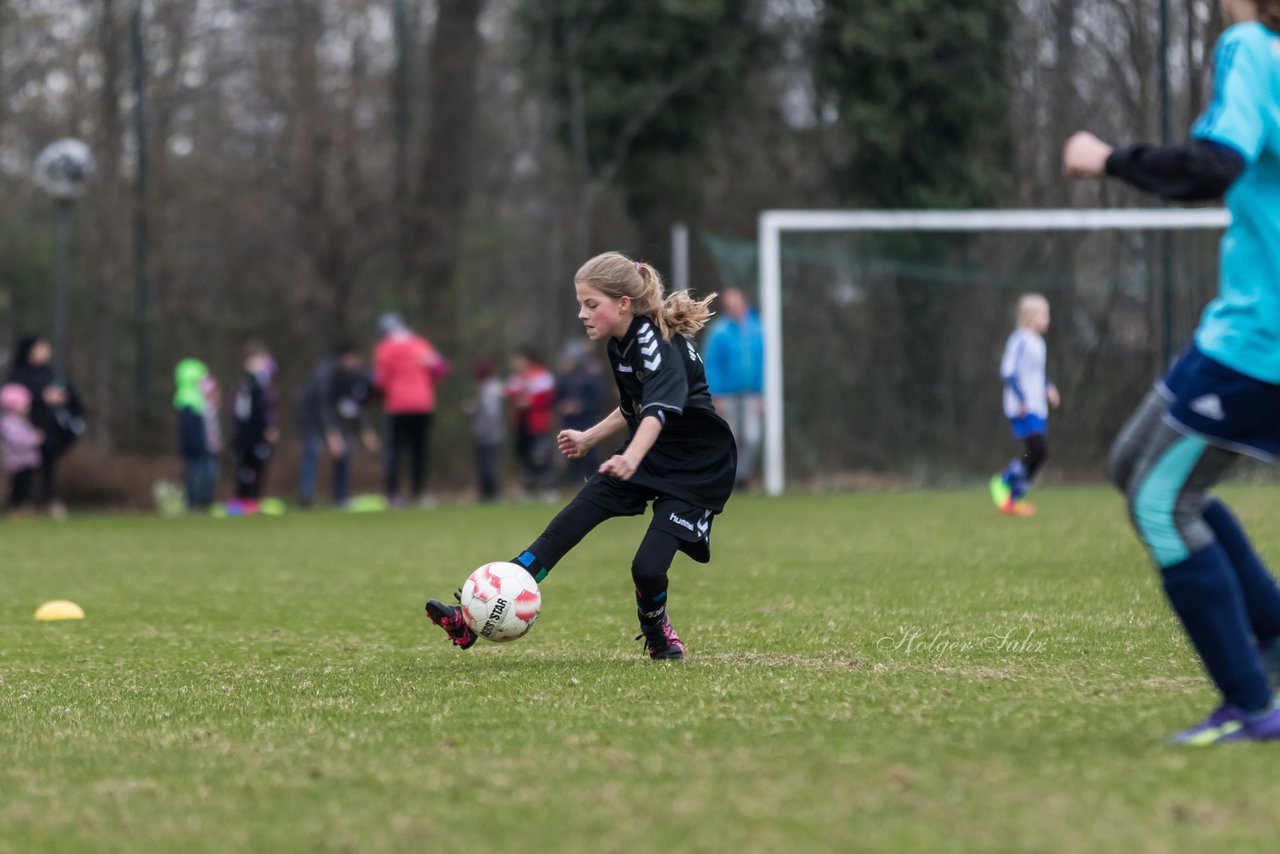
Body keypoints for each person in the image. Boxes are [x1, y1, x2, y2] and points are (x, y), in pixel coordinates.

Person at [1062, 0, 1280, 743]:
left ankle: (1252, 706)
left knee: (1161, 503)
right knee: (1133, 464)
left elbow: (1216, 164)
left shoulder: (1252, 42)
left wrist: (1108, 157)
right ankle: (1273, 637)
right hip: (1234, 328)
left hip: (1264, 341)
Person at [425, 252, 736, 660]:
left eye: (591, 304)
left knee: (646, 567)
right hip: (651, 453)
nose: (582, 314)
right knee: (568, 524)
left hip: (698, 467)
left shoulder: (655, 344)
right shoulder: (620, 345)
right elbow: (635, 409)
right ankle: (470, 621)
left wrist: (631, 456)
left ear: (623, 303)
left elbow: (659, 410)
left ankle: (657, 629)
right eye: (580, 304)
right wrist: (590, 438)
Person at [988, 294, 1060, 517]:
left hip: (1037, 405)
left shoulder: (1039, 342)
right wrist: (1021, 400)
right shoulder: (1019, 339)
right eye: (1044, 315)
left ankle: (1012, 499)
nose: (1047, 319)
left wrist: (1048, 386)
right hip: (1022, 406)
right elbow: (1008, 372)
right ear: (1030, 317)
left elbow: (1035, 373)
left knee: (1037, 453)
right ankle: (1004, 482)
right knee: (1038, 449)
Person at [374, 313, 447, 508]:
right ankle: (419, 494)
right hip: (423, 404)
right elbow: (441, 368)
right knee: (419, 451)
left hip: (397, 405)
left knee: (394, 452)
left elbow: (381, 381)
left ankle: (393, 495)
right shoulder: (421, 345)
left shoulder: (384, 348)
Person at [8, 335, 84, 519]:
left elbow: (73, 398)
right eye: (40, 348)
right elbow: (12, 400)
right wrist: (41, 398)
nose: (44, 352)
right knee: (23, 469)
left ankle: (51, 500)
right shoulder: (18, 375)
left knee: (49, 467)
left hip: (51, 430)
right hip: (24, 430)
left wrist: (63, 398)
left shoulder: (53, 373)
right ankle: (20, 503)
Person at [296, 344, 378, 508]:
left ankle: (340, 497)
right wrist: (331, 433)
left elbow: (353, 405)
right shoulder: (325, 373)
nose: (356, 362)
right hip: (311, 415)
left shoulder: (351, 376)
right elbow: (323, 404)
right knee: (313, 449)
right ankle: (306, 497)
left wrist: (365, 430)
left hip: (333, 417)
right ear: (344, 358)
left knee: (345, 449)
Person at [702, 288, 764, 488]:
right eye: (728, 306)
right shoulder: (719, 331)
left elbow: (762, 364)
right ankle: (727, 477)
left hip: (750, 394)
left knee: (752, 437)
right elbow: (713, 365)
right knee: (731, 437)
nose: (732, 309)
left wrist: (762, 394)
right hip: (726, 395)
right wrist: (716, 395)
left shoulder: (756, 328)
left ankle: (742, 477)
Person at [507, 347, 557, 501]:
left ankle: (549, 490)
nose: (515, 363)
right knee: (524, 458)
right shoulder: (518, 378)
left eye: (518, 360)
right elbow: (510, 392)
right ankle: (528, 491)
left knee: (540, 456)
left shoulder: (541, 375)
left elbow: (546, 397)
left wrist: (529, 402)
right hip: (522, 424)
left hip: (538, 424)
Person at [230, 341, 279, 501]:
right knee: (247, 469)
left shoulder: (262, 384)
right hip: (248, 436)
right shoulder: (249, 384)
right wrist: (265, 429)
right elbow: (246, 413)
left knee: (257, 468)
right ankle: (246, 498)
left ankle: (254, 498)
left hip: (255, 434)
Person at [555, 342, 605, 486]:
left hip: (588, 422)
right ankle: (574, 484)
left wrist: (580, 407)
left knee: (591, 456)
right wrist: (564, 407)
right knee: (571, 456)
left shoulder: (591, 377)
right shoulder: (564, 378)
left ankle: (594, 483)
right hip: (570, 423)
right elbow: (557, 399)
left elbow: (598, 400)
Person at [174, 358, 219, 511]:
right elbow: (190, 433)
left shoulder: (198, 403)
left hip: (202, 449)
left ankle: (201, 503)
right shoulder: (188, 404)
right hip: (196, 450)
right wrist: (199, 447)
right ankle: (194, 503)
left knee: (204, 474)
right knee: (195, 475)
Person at [466, 359, 504, 503]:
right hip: (485, 433)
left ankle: (492, 494)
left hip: (489, 434)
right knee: (484, 466)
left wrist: (475, 410)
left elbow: (491, 413)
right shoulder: (487, 388)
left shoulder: (490, 389)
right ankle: (485, 494)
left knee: (489, 466)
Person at [1, 383, 42, 515]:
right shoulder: (8, 423)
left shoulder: (23, 421)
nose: (26, 407)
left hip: (28, 460)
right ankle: (15, 508)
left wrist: (35, 436)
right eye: (23, 405)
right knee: (18, 486)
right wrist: (33, 440)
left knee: (27, 486)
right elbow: (16, 440)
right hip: (16, 461)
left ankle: (25, 507)